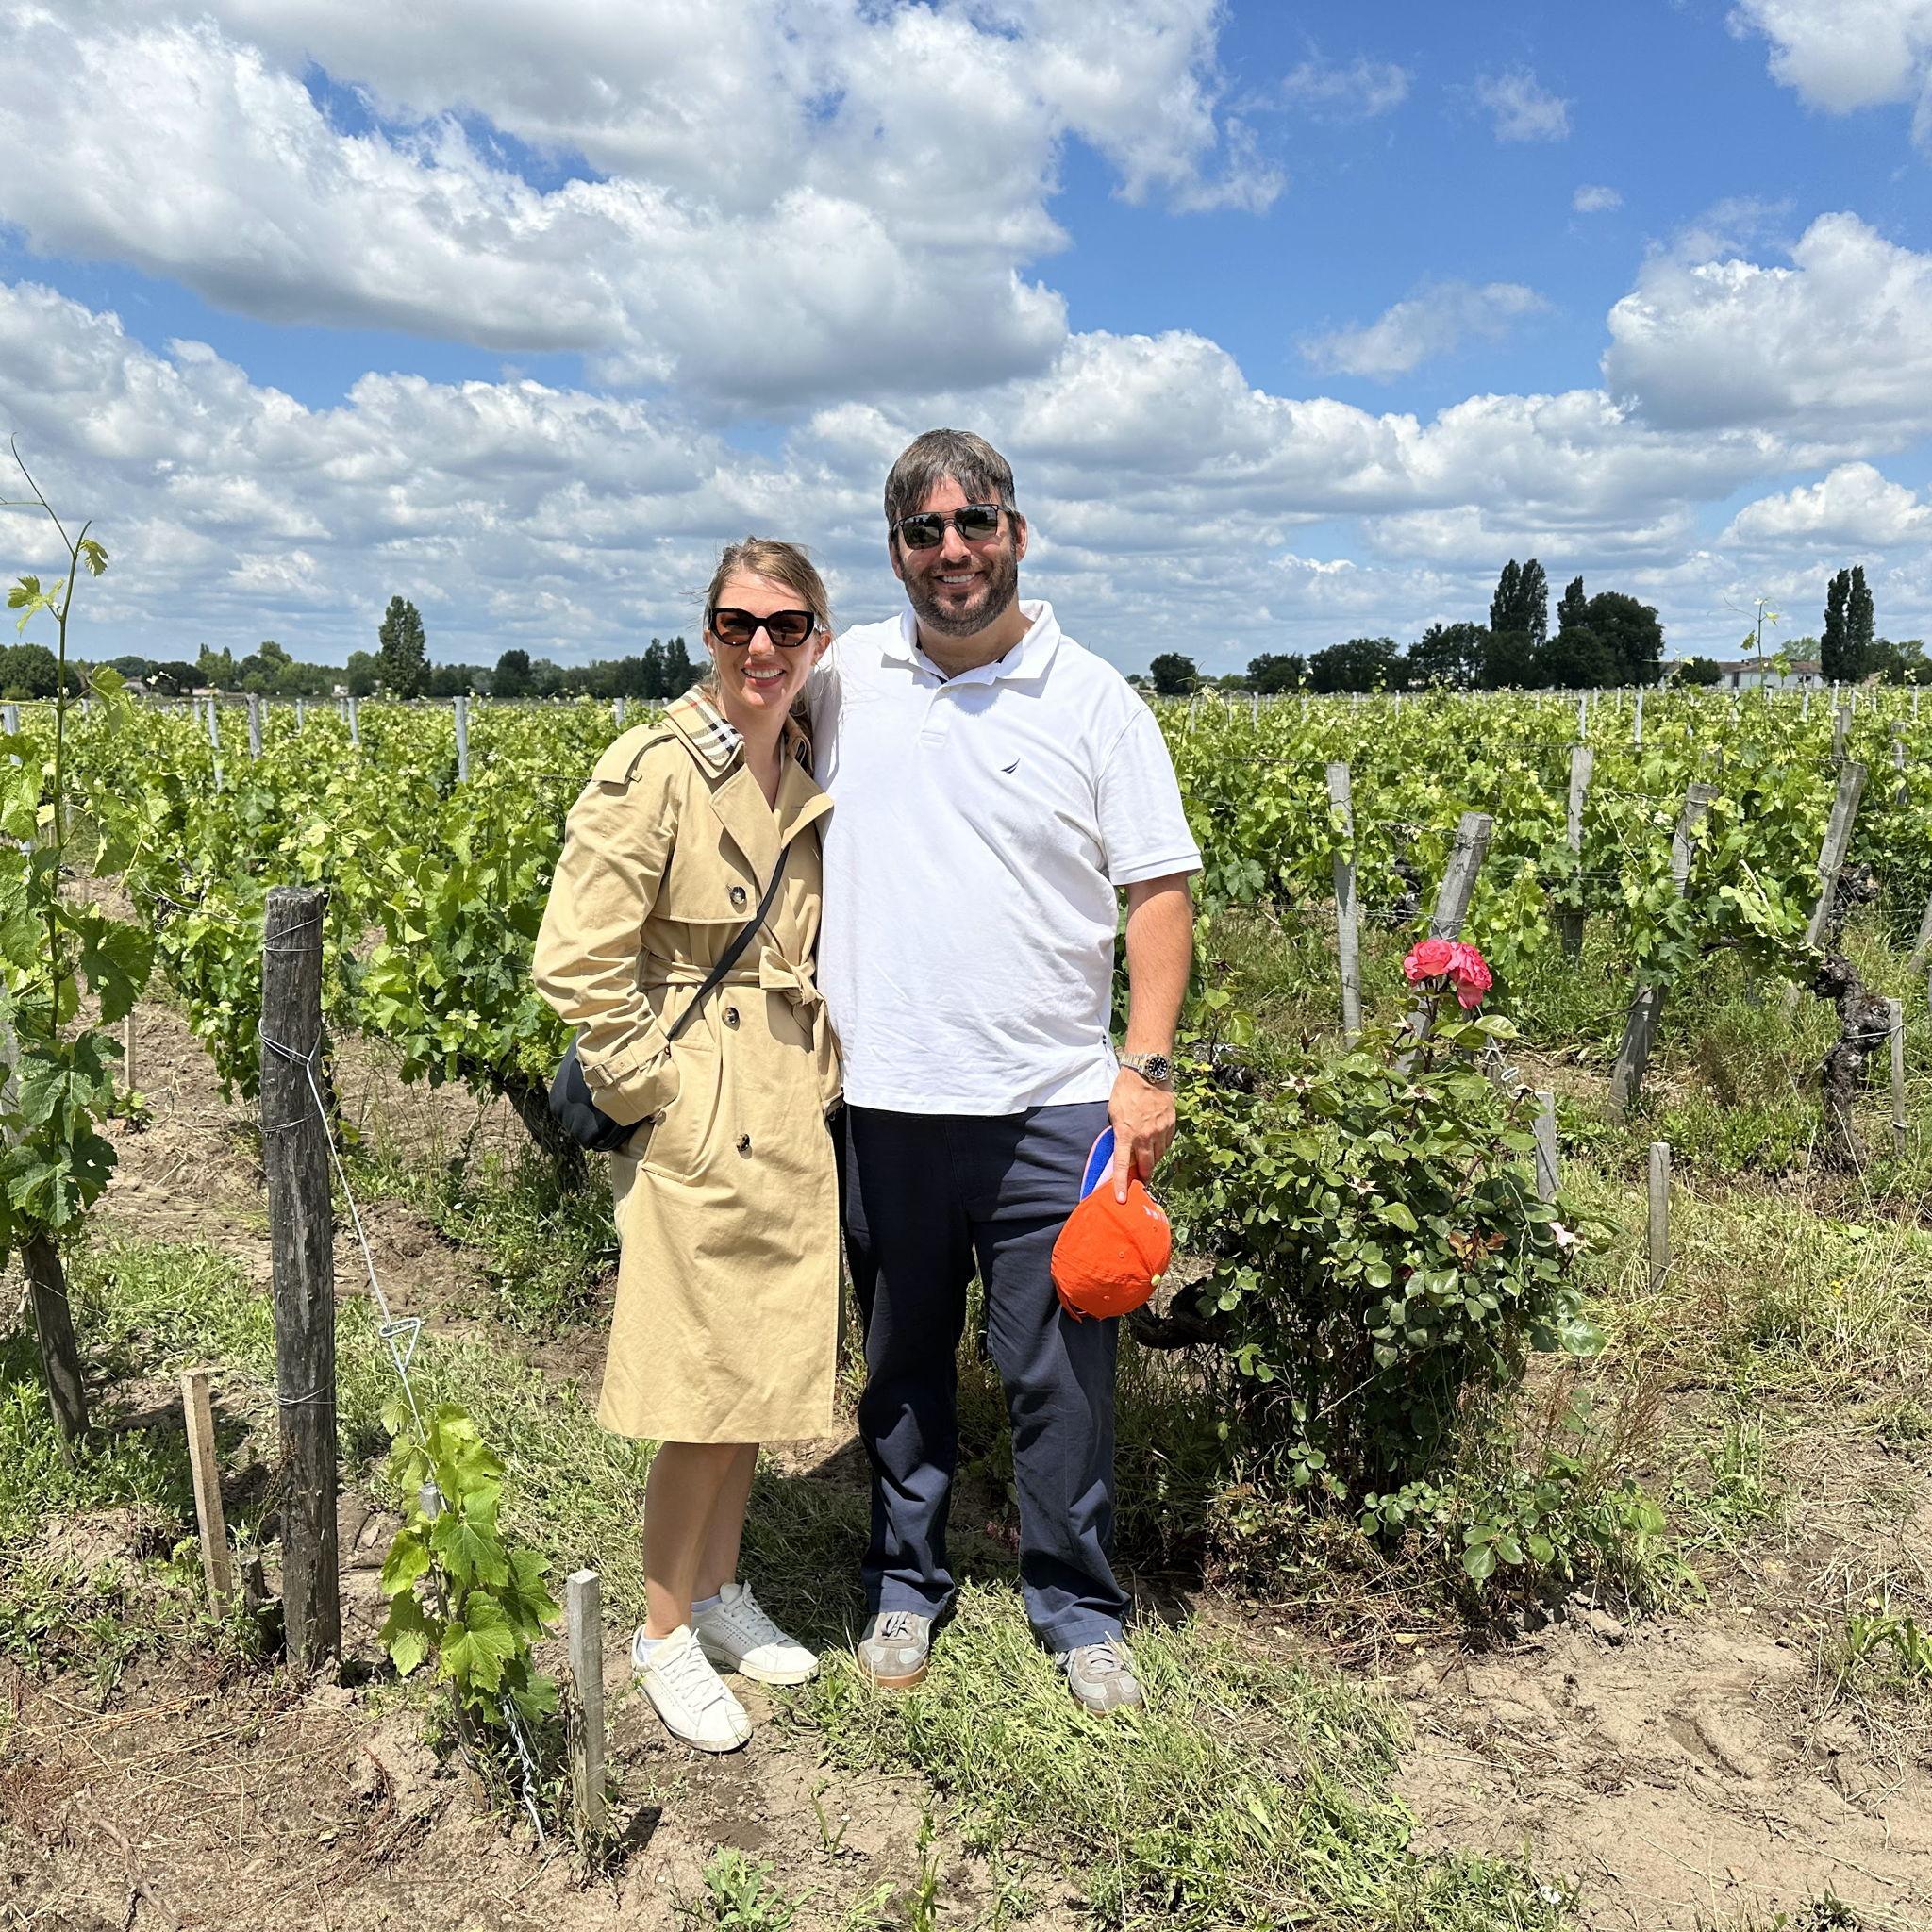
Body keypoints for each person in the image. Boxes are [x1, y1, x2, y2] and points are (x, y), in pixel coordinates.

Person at [810, 429, 1201, 1714]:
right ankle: (905, 1583)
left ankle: (1078, 1603)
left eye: (973, 523)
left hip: (1052, 1104)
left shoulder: (1093, 699)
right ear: (896, 555)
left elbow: (1158, 890)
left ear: (1017, 533)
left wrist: (1144, 1065)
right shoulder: (848, 678)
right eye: (924, 533)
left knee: (1061, 1376)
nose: (952, 551)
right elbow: (736, 722)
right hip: (887, 1101)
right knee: (902, 1367)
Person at [532, 539, 842, 1753]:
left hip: (789, 1101)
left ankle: (715, 1591)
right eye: (733, 624)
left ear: (816, 636)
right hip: (705, 1103)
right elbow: (574, 957)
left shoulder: (806, 760)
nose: (758, 647)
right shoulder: (653, 769)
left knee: (755, 1369)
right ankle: (661, 1629)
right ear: (704, 633)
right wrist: (655, 1089)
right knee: (699, 1385)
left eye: (783, 624)